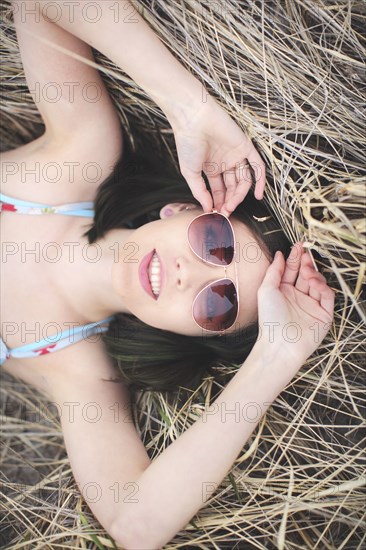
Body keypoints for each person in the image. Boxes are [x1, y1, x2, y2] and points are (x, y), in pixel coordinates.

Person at [0, 1, 335, 548]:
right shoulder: (80, 160)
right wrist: (191, 112)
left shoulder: (77, 372)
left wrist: (276, 357)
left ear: (190, 334)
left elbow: (136, 525)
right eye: (214, 241)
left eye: (217, 304)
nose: (190, 275)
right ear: (181, 208)